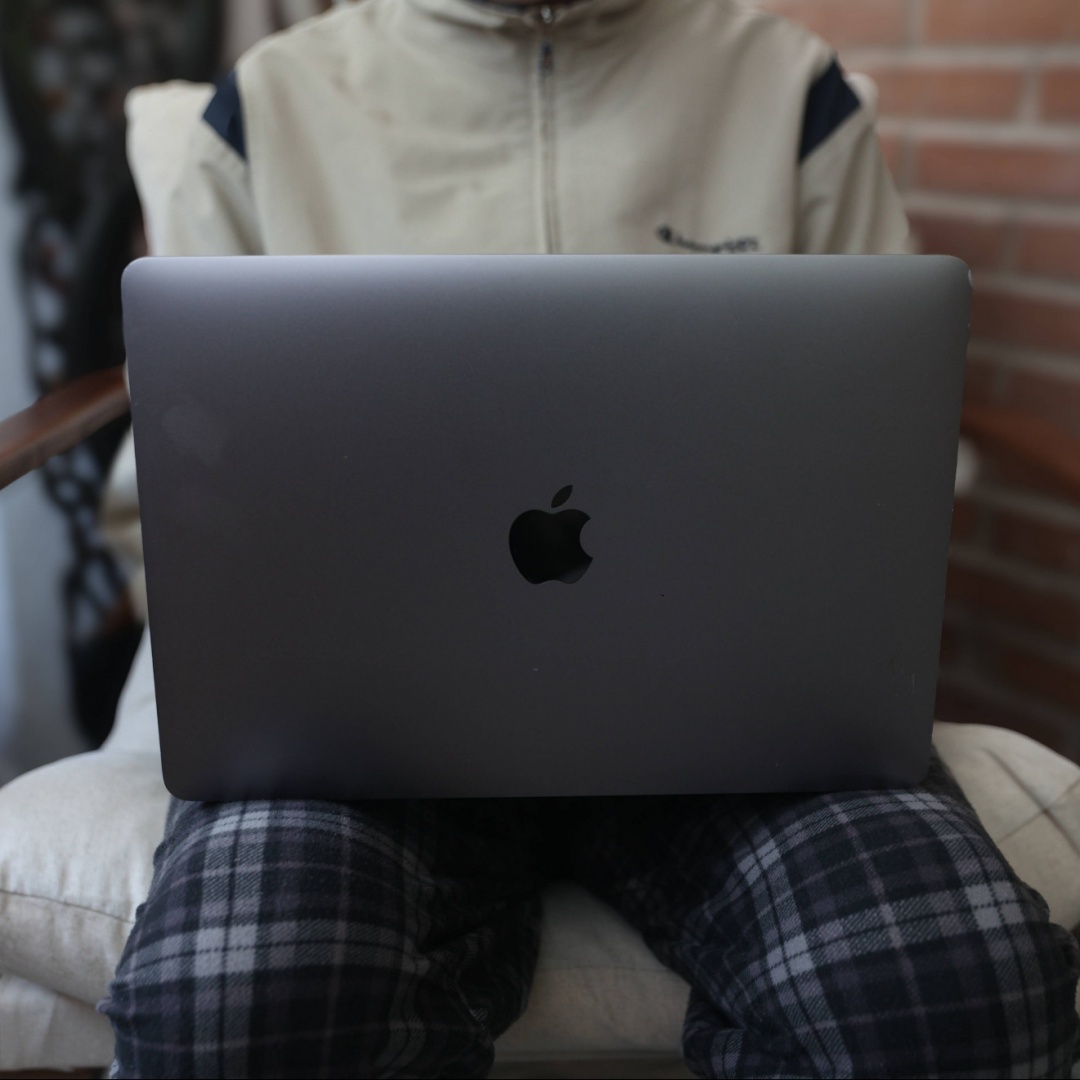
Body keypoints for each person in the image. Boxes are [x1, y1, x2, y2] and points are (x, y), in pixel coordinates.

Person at [99, 1, 1080, 1076]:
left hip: (741, 720)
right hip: (366, 739)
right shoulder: (266, 103)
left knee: (960, 991)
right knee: (227, 1010)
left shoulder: (789, 86)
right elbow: (178, 493)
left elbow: (893, 447)